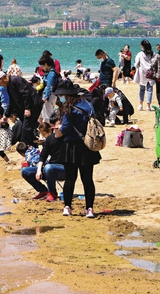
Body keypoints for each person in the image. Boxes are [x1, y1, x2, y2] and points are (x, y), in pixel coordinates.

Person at [53, 81, 101, 218]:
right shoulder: (88, 105)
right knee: (87, 179)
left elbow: (66, 128)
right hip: (87, 145)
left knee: (70, 178)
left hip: (71, 147)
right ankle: (89, 208)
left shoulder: (69, 108)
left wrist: (58, 131)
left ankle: (67, 207)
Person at [21, 121, 65, 201]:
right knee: (25, 171)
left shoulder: (67, 138)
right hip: (49, 168)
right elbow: (43, 156)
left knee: (49, 168)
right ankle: (43, 190)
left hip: (63, 169)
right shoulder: (49, 139)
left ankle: (52, 193)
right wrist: (38, 170)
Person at [134, 39, 155, 112]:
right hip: (150, 73)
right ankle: (148, 106)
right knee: (149, 90)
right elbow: (154, 62)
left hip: (142, 73)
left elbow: (136, 64)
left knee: (141, 89)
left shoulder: (140, 54)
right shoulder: (153, 53)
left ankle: (141, 105)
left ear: (143, 46)